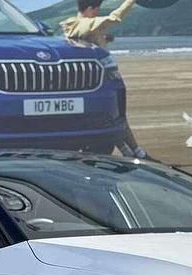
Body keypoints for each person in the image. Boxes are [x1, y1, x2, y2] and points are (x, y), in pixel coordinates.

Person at [60, 0, 150, 159]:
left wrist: (104, 38)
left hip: (80, 80)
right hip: (95, 79)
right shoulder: (84, 24)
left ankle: (130, 152)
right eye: (96, 10)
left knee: (108, 117)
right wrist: (130, 1)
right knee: (115, 116)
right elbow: (114, 18)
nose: (97, 13)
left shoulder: (73, 26)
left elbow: (85, 40)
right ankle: (136, 153)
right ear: (89, 9)